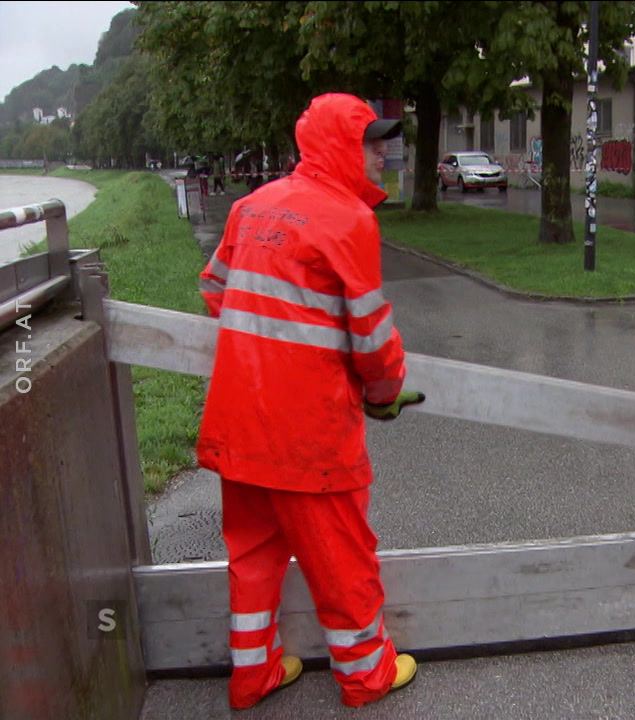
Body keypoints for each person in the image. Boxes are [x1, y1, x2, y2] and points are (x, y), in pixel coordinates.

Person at [197, 93, 425, 709]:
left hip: (238, 423)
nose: (384, 154)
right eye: (372, 143)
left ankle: (253, 674)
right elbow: (374, 342)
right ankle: (366, 675)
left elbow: (215, 290)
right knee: (342, 557)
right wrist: (384, 394)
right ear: (340, 147)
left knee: (252, 556)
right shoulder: (348, 220)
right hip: (308, 434)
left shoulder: (252, 205)